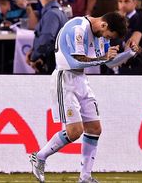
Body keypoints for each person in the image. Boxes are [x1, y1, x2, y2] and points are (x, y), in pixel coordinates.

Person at [29, 12, 133, 183]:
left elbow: (108, 62)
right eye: (108, 36)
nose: (107, 39)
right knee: (74, 132)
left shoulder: (101, 34)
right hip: (65, 79)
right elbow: (75, 62)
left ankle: (85, 177)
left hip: (81, 79)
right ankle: (39, 156)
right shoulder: (78, 27)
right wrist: (102, 58)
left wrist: (130, 53)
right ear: (104, 25)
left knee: (94, 129)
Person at [26, 0, 67, 74]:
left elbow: (47, 39)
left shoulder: (51, 14)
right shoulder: (56, 11)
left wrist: (34, 56)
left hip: (50, 67)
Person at [105, 0, 142, 74]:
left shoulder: (140, 19)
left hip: (134, 65)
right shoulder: (111, 19)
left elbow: (135, 41)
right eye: (120, 1)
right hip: (112, 62)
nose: (123, 4)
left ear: (135, 3)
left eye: (126, 1)